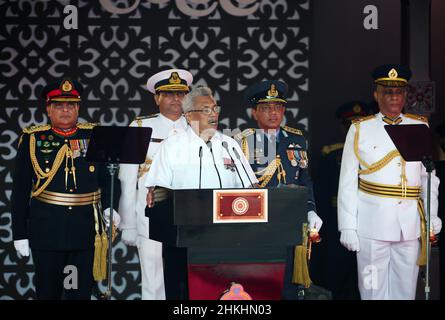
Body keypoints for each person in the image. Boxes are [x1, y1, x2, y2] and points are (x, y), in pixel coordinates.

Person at [337, 64, 442, 299]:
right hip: (371, 225)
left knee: (405, 291)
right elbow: (347, 183)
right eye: (387, 92)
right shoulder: (360, 129)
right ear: (376, 94)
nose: (393, 97)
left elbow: (428, 178)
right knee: (372, 290)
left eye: (399, 92)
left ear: (405, 95)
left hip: (409, 225)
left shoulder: (419, 125)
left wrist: (432, 214)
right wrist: (347, 226)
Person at [144, 86, 258, 299]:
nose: (213, 114)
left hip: (227, 239)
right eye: (205, 110)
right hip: (183, 239)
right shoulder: (172, 146)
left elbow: (251, 189)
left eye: (215, 108)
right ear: (188, 115)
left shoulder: (229, 144)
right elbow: (157, 194)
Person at [11, 78, 120, 299]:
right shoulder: (33, 139)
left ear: (78, 108)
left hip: (85, 230)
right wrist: (20, 234)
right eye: (59, 105)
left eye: (71, 105)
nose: (65, 110)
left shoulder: (94, 136)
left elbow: (110, 179)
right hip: (47, 232)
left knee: (78, 293)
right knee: (48, 293)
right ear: (48, 109)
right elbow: (20, 191)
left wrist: (110, 207)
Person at [236, 80, 323, 299]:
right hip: (258, 223)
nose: (273, 113)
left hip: (291, 221)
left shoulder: (296, 139)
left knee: (289, 285)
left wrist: (311, 209)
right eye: (266, 108)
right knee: (260, 282)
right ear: (254, 112)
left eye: (278, 107)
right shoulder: (242, 141)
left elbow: (305, 180)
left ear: (284, 110)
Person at [118, 69, 192, 300]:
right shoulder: (139, 126)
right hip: (148, 214)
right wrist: (128, 222)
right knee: (153, 279)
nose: (176, 99)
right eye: (169, 94)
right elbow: (127, 178)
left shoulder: (196, 127)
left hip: (188, 216)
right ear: (156, 97)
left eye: (181, 94)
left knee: (187, 279)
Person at [312, 101, 371, 299]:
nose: (355, 129)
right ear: (343, 127)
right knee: (337, 274)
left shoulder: (376, 153)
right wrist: (326, 227)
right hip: (336, 223)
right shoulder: (332, 155)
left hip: (370, 221)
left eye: (360, 123)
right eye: (350, 125)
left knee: (367, 276)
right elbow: (321, 193)